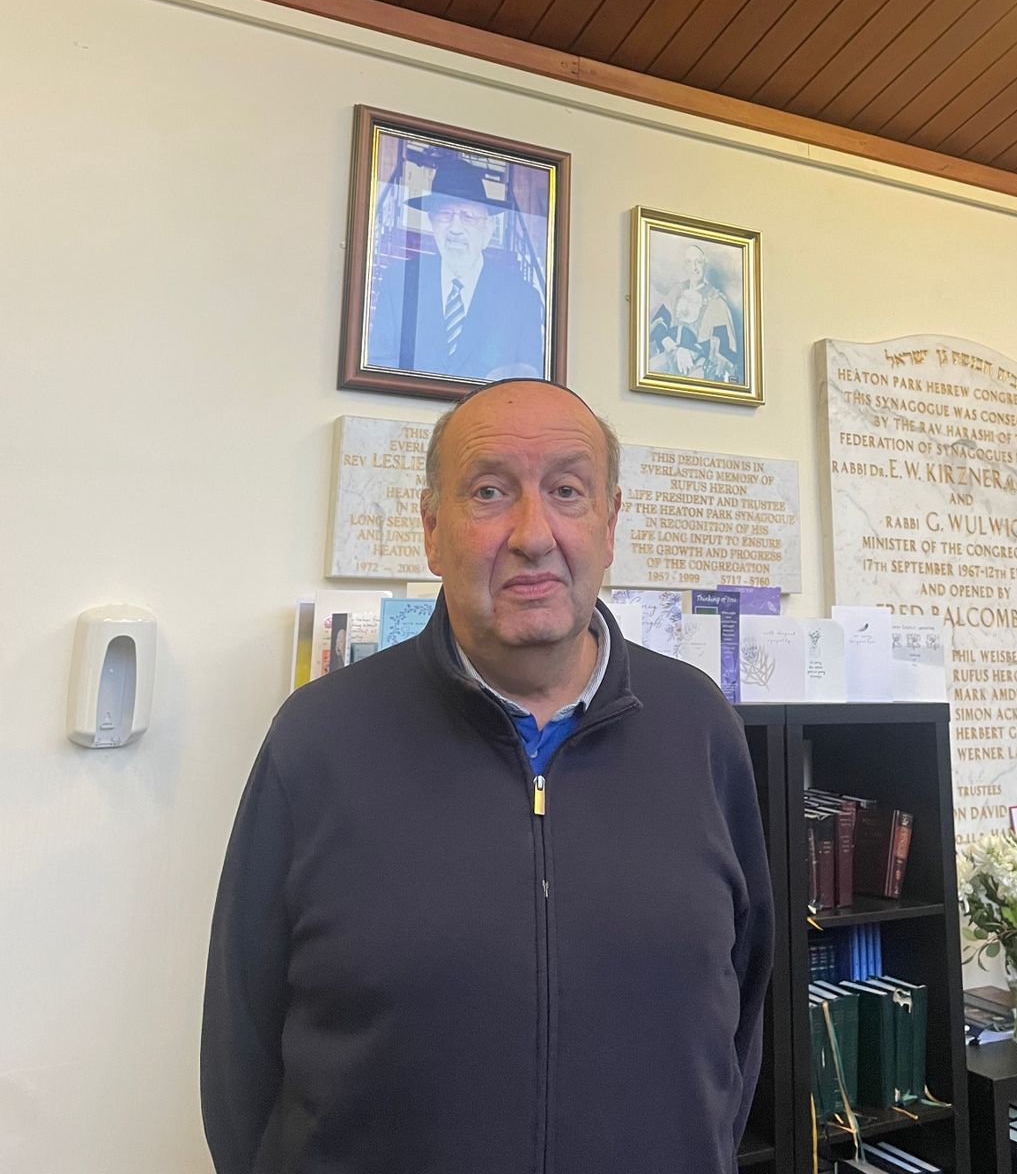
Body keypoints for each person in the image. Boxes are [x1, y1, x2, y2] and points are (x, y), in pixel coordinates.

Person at [201, 380, 773, 1174]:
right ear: (432, 530)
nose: (533, 535)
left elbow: (740, 1017)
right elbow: (242, 1058)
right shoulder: (318, 737)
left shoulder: (700, 726)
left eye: (567, 491)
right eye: (489, 492)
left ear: (610, 524)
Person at [367, 156, 545, 381]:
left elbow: (528, 383)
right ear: (432, 223)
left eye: (467, 217)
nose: (455, 229)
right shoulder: (399, 281)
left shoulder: (521, 298)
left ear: (488, 228)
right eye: (445, 215)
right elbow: (380, 364)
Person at [649, 242, 740, 382]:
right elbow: (658, 322)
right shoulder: (676, 291)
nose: (694, 268)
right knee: (649, 369)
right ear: (685, 266)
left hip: (700, 363)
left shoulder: (716, 300)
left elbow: (723, 346)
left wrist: (691, 352)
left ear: (704, 265)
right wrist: (665, 340)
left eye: (698, 262)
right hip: (671, 354)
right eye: (689, 262)